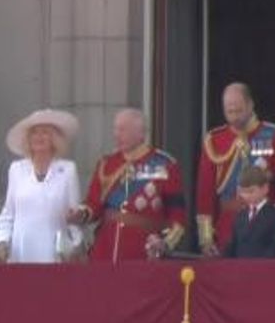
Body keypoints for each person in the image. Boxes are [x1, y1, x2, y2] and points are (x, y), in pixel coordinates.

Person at [68, 108, 187, 263]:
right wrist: (80, 214)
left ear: (141, 133)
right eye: (115, 129)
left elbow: (177, 216)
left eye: (123, 129)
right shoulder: (107, 164)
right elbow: (93, 203)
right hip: (105, 251)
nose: (116, 134)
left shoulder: (164, 164)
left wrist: (164, 243)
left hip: (142, 253)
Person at [196, 82, 275, 256]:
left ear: (250, 105)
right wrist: (206, 238)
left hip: (265, 227)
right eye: (229, 112)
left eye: (238, 111)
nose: (234, 118)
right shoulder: (214, 140)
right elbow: (205, 193)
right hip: (226, 226)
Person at [0, 109, 82, 263]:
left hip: (54, 252)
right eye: (34, 133)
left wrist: (76, 244)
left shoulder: (67, 169)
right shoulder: (16, 169)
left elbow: (74, 215)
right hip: (21, 251)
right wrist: (2, 240)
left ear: (54, 138)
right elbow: (8, 213)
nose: (39, 137)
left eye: (45, 132)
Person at [223, 166, 275, 259]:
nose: (246, 196)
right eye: (243, 191)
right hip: (239, 269)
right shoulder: (240, 216)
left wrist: (257, 266)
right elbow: (233, 246)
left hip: (264, 269)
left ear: (265, 188)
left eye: (251, 191)